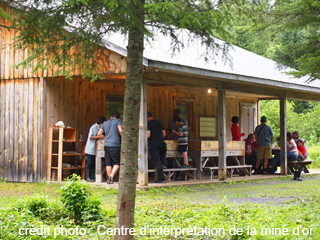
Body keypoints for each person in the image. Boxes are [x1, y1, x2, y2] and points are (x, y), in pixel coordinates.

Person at [97, 112, 122, 184]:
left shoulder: (105, 123)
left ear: (111, 117)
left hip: (107, 145)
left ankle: (110, 180)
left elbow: (99, 133)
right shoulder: (118, 121)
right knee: (117, 162)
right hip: (115, 145)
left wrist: (105, 138)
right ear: (118, 118)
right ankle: (111, 175)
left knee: (108, 163)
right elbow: (120, 130)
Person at [84, 116, 107, 181]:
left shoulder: (100, 128)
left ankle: (92, 177)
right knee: (89, 162)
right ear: (101, 122)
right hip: (90, 148)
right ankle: (87, 177)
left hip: (95, 148)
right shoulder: (94, 127)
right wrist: (99, 137)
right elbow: (91, 137)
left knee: (94, 163)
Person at [167, 109, 187, 179]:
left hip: (173, 140)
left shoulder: (170, 119)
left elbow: (169, 130)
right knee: (178, 158)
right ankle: (177, 175)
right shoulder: (184, 121)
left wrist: (168, 136)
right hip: (178, 140)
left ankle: (170, 174)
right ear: (180, 114)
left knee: (170, 158)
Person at [147, 111, 167, 183]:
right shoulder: (159, 122)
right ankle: (161, 177)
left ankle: (162, 179)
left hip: (154, 144)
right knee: (162, 162)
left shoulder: (149, 123)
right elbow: (164, 134)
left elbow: (148, 135)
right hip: (162, 143)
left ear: (147, 118)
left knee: (157, 162)